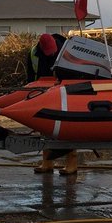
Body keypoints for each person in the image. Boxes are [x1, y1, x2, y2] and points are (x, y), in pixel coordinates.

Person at [26, 33, 77, 177]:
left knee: (67, 130)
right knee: (44, 129)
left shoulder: (66, 49)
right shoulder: (33, 54)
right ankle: (47, 162)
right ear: (41, 48)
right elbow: (30, 76)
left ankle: (71, 164)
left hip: (63, 95)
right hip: (42, 93)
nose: (52, 54)